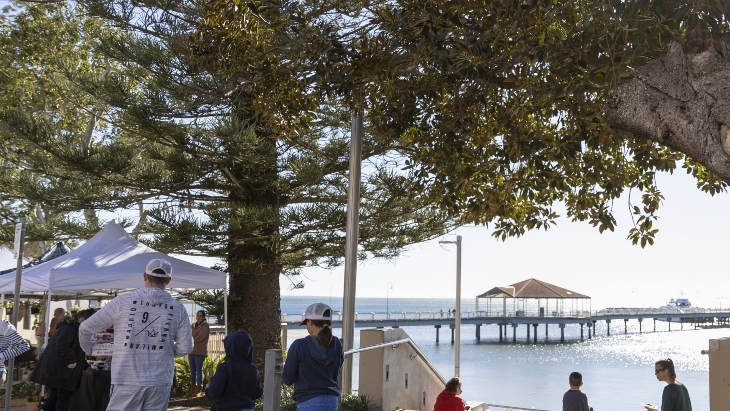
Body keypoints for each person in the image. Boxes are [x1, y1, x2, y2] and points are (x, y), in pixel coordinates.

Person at [78, 258, 193, 411]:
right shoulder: (178, 308)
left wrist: (91, 349)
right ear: (169, 280)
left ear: (145, 276)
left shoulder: (123, 301)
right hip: (160, 380)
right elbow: (186, 347)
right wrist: (164, 351)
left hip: (127, 377)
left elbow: (85, 328)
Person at [282, 302, 344, 411]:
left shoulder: (299, 345)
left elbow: (287, 378)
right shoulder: (337, 344)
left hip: (308, 401)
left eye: (306, 322)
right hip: (331, 401)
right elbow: (335, 373)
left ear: (310, 322)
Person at [30, 309, 96, 411]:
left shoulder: (72, 328)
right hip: (62, 370)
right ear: (82, 319)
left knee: (56, 396)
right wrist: (73, 361)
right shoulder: (70, 329)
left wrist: (84, 365)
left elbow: (75, 350)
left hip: (60, 369)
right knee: (63, 397)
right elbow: (62, 346)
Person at [204, 330, 262, 411]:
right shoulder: (253, 369)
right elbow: (259, 393)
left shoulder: (225, 368)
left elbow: (214, 392)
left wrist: (207, 389)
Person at [189, 309, 210, 397]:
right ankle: (192, 388)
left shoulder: (205, 326)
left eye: (201, 315)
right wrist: (192, 337)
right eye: (198, 315)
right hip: (191, 351)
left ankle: (198, 390)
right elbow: (189, 335)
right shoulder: (192, 325)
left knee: (199, 371)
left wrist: (192, 339)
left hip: (200, 351)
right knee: (193, 371)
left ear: (204, 317)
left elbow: (200, 337)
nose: (199, 317)